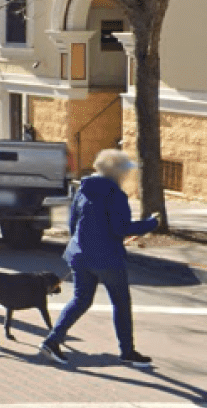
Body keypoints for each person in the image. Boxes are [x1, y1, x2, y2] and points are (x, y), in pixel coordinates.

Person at [39, 149, 159, 368]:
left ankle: (53, 340)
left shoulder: (83, 190)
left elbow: (73, 225)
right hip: (106, 258)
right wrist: (150, 224)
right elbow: (120, 228)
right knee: (121, 303)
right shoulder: (115, 194)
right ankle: (127, 351)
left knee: (80, 300)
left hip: (80, 254)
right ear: (118, 172)